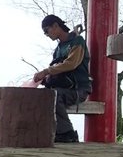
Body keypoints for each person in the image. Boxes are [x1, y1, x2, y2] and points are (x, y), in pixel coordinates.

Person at [33, 14, 92, 143]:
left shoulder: (78, 42)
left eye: (46, 31)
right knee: (42, 95)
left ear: (55, 26)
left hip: (78, 89)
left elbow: (71, 64)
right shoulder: (58, 49)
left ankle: (67, 133)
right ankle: (51, 131)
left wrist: (46, 71)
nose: (46, 35)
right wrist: (46, 78)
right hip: (63, 87)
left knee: (54, 96)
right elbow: (56, 69)